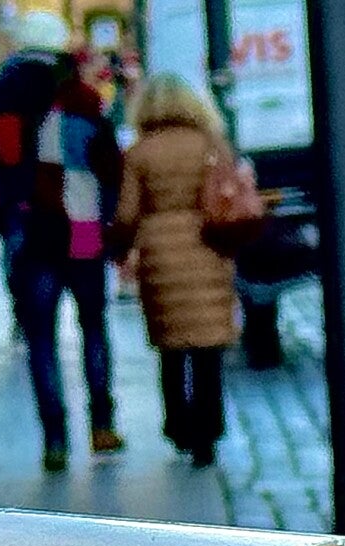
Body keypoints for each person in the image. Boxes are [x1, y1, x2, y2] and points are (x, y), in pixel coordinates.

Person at [0, 9, 124, 473]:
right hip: (82, 231)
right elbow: (110, 168)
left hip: (29, 233)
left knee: (41, 338)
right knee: (93, 327)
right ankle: (102, 424)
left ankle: (55, 437)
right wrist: (108, 219)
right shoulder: (80, 99)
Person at [113, 74, 237, 469]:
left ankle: (179, 425)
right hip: (208, 246)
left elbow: (127, 213)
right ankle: (208, 433)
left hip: (160, 254)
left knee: (171, 346)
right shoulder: (210, 144)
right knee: (207, 348)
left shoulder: (139, 153)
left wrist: (119, 248)